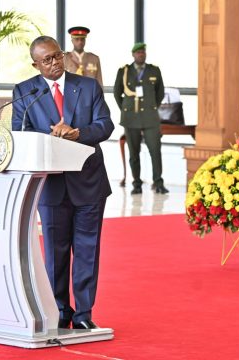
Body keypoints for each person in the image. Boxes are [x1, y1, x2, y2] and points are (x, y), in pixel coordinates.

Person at [11, 36, 114, 330]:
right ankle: (59, 310)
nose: (55, 63)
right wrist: (50, 138)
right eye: (47, 60)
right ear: (36, 64)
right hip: (51, 186)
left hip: (89, 182)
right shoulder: (25, 92)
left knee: (87, 249)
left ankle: (83, 314)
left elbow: (105, 125)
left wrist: (77, 133)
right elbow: (21, 133)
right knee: (55, 254)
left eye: (58, 56)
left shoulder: (88, 86)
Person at [113, 42, 169, 195]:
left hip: (150, 118)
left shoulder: (154, 70)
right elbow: (117, 93)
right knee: (134, 153)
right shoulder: (124, 71)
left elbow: (160, 92)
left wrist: (152, 107)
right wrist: (126, 108)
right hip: (130, 118)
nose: (141, 55)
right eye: (138, 53)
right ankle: (136, 184)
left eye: (143, 52)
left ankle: (158, 183)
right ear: (133, 55)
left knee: (155, 151)